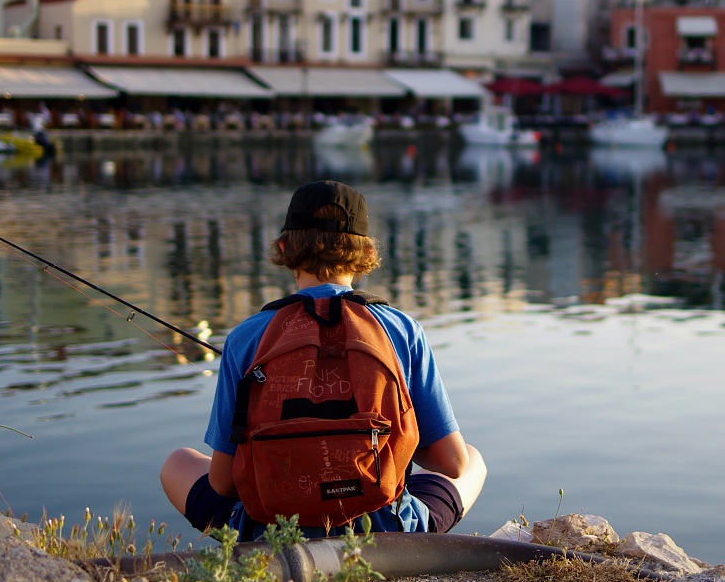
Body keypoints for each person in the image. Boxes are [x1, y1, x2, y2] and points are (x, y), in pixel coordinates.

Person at [161, 180, 486, 540]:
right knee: (473, 459)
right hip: (385, 531)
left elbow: (222, 482)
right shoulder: (402, 330)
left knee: (177, 462)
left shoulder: (245, 337)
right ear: (366, 253)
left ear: (284, 247)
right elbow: (452, 463)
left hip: (273, 531)